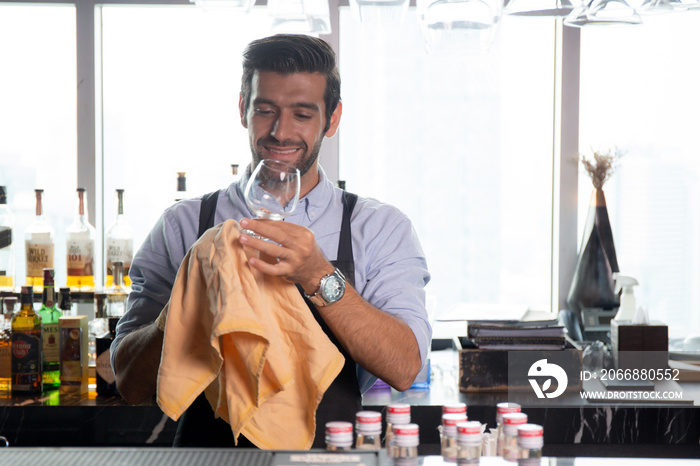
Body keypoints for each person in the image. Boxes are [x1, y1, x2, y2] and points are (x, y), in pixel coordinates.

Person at [111, 34, 431, 448]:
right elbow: (129, 381)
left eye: (302, 114)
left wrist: (318, 274)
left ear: (332, 119)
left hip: (328, 458)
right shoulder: (184, 225)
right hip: (209, 458)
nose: (281, 132)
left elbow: (404, 367)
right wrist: (188, 304)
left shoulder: (379, 228)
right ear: (243, 109)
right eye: (266, 110)